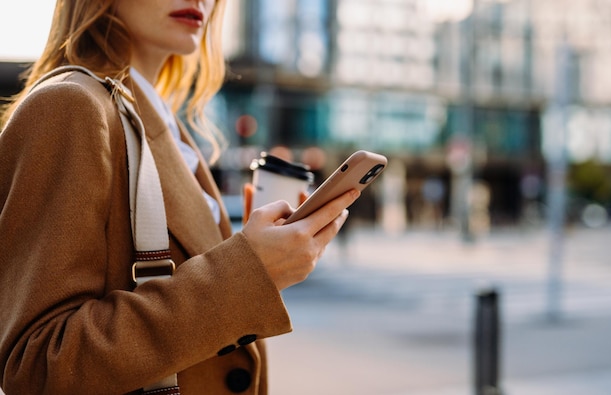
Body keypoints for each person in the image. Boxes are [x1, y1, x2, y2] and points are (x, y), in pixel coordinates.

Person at [0, 1, 359, 394]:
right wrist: (248, 272)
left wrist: (261, 254)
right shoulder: (71, 105)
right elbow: (38, 365)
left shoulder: (167, 124)